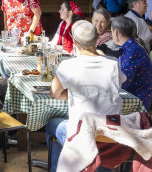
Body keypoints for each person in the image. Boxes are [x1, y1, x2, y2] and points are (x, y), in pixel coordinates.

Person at [46, 20, 125, 172]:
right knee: (100, 134)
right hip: (112, 134)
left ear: (74, 42)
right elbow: (115, 88)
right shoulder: (113, 65)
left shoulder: (69, 65)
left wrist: (73, 93)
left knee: (51, 124)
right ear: (97, 39)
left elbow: (54, 93)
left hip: (82, 136)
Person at [111, 16, 152, 112]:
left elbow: (124, 81)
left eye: (111, 31)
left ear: (116, 32)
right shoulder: (131, 47)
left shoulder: (133, 51)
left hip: (138, 101)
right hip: (135, 95)